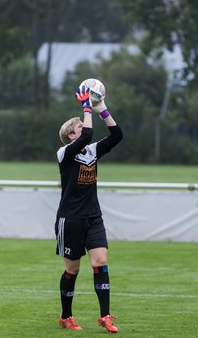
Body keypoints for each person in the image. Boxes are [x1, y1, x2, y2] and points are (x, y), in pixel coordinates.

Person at [55, 82, 123, 333]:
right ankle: (66, 316)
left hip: (93, 217)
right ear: (70, 135)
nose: (84, 126)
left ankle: (105, 316)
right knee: (72, 269)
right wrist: (86, 105)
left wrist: (102, 108)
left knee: (100, 261)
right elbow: (88, 135)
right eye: (79, 126)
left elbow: (117, 136)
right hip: (70, 219)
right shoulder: (65, 153)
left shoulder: (91, 151)